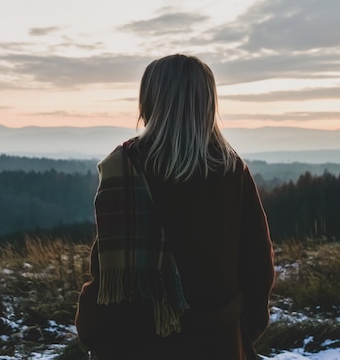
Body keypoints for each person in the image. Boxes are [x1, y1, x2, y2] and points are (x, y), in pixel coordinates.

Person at [75, 54, 274, 359]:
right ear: (207, 103)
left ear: (150, 100)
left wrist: (93, 332)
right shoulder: (231, 170)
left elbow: (109, 277)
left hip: (135, 344)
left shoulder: (124, 167)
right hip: (218, 344)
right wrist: (239, 334)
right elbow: (258, 266)